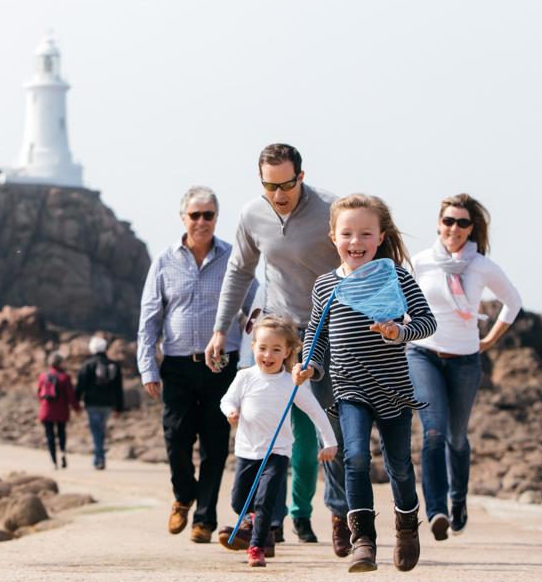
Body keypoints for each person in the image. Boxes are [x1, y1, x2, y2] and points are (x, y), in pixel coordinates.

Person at [205, 143, 349, 554]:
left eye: (287, 184)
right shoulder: (253, 214)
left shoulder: (330, 210)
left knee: (327, 425)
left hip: (325, 331)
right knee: (256, 419)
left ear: (300, 176)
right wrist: (220, 331)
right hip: (276, 328)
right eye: (271, 185)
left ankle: (339, 515)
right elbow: (238, 272)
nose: (279, 194)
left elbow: (359, 259)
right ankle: (260, 522)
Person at [296, 194, 437, 573]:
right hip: (348, 387)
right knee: (354, 458)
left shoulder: (396, 277)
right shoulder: (325, 285)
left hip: (393, 388)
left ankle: (407, 528)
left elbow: (427, 321)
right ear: (333, 237)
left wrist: (399, 331)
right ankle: (364, 541)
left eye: (365, 234)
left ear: (379, 237)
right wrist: (309, 364)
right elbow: (316, 332)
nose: (355, 242)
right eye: (347, 234)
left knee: (400, 467)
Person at [137, 186, 256, 543]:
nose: (202, 221)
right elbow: (149, 319)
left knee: (216, 443)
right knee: (176, 439)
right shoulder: (164, 261)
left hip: (222, 365)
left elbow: (253, 308)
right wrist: (148, 368)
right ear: (183, 218)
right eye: (195, 215)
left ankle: (204, 518)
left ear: (216, 218)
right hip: (177, 365)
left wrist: (263, 351)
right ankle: (183, 495)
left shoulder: (233, 259)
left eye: (209, 215)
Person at [408, 194, 522, 540]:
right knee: (433, 432)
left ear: (472, 228)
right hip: (423, 354)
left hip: (465, 361)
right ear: (439, 223)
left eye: (462, 223)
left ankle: (458, 498)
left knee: (457, 438)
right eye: (448, 221)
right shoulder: (420, 262)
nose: (454, 229)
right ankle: (436, 510)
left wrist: (489, 341)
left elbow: (512, 302)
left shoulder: (481, 266)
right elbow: (403, 304)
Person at [219, 317, 337, 567]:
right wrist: (231, 412)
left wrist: (329, 442)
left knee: (265, 501)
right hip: (246, 451)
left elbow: (316, 412)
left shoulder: (291, 384)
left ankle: (257, 547)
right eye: (262, 348)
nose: (268, 355)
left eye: (275, 349)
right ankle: (250, 522)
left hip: (277, 452)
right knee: (238, 500)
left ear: (287, 353)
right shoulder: (245, 376)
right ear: (253, 348)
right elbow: (226, 400)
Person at [77, 336, 125, 470]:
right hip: (108, 404)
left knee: (96, 431)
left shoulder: (87, 365)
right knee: (101, 430)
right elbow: (118, 388)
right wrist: (119, 408)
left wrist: (76, 404)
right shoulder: (114, 365)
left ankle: (99, 459)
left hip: (92, 404)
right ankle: (100, 456)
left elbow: (80, 386)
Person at [36, 351, 80, 469]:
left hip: (46, 410)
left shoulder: (43, 376)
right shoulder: (64, 377)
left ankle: (54, 461)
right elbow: (70, 395)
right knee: (61, 433)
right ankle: (62, 452)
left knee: (50, 436)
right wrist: (77, 408)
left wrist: (43, 405)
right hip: (61, 411)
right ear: (60, 363)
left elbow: (39, 394)